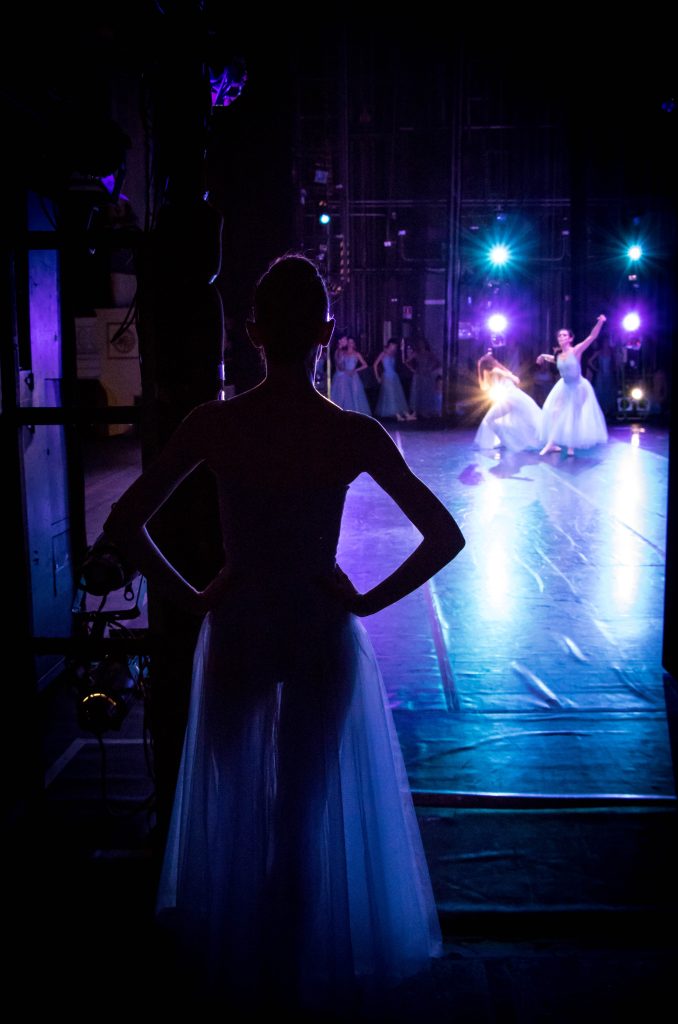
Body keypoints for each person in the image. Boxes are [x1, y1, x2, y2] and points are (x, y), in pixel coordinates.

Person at [102, 254, 465, 1015]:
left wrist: (196, 595)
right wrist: (364, 601)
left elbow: (125, 524)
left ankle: (238, 987)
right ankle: (294, 983)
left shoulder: (215, 424)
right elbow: (442, 536)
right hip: (315, 628)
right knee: (298, 816)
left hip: (238, 626)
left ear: (254, 330)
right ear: (327, 333)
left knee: (232, 811)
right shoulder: (350, 434)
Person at [536, 315, 609, 456]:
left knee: (573, 415)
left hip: (578, 387)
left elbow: (592, 336)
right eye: (559, 336)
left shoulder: (576, 350)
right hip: (564, 386)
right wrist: (542, 356)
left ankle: (571, 445)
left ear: (570, 338)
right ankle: (552, 443)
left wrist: (600, 322)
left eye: (564, 335)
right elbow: (553, 359)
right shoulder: (558, 355)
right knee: (554, 412)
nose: (561, 337)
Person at [473, 351, 543, 452]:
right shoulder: (491, 373)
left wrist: (510, 377)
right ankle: (506, 441)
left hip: (511, 398)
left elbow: (514, 378)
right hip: (509, 398)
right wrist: (481, 374)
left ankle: (507, 441)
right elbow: (484, 387)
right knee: (504, 420)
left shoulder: (496, 370)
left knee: (491, 419)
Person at [373, 338, 415, 421]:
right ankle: (398, 415)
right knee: (392, 395)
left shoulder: (393, 354)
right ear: (390, 345)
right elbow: (375, 365)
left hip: (394, 377)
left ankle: (406, 414)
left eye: (395, 346)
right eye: (393, 345)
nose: (394, 347)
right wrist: (377, 377)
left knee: (398, 395)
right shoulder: (383, 353)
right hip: (387, 377)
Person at [330, 335, 372, 414]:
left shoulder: (356, 354)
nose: (350, 344)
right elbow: (339, 365)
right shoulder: (343, 352)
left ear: (354, 344)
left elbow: (365, 365)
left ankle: (356, 413)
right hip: (344, 376)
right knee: (345, 396)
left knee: (354, 395)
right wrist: (344, 370)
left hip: (353, 376)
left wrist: (355, 370)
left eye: (352, 342)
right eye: (349, 342)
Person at [405, 336, 441, 419]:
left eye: (423, 344)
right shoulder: (416, 353)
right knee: (418, 392)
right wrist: (413, 370)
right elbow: (406, 362)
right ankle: (418, 411)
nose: (421, 345)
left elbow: (438, 363)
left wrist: (431, 369)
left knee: (426, 392)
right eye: (420, 344)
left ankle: (426, 411)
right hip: (419, 374)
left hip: (427, 375)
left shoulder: (429, 354)